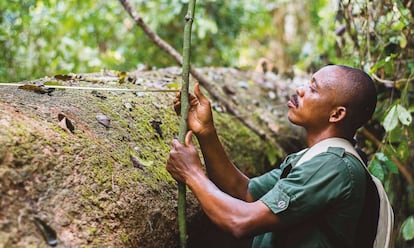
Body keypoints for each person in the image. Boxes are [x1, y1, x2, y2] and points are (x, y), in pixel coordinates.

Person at [166, 65, 378, 247]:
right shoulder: (310, 158)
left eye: (313, 89)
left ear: (337, 114)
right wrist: (206, 131)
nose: (300, 90)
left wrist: (192, 174)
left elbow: (240, 222)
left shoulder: (333, 166)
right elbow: (244, 192)